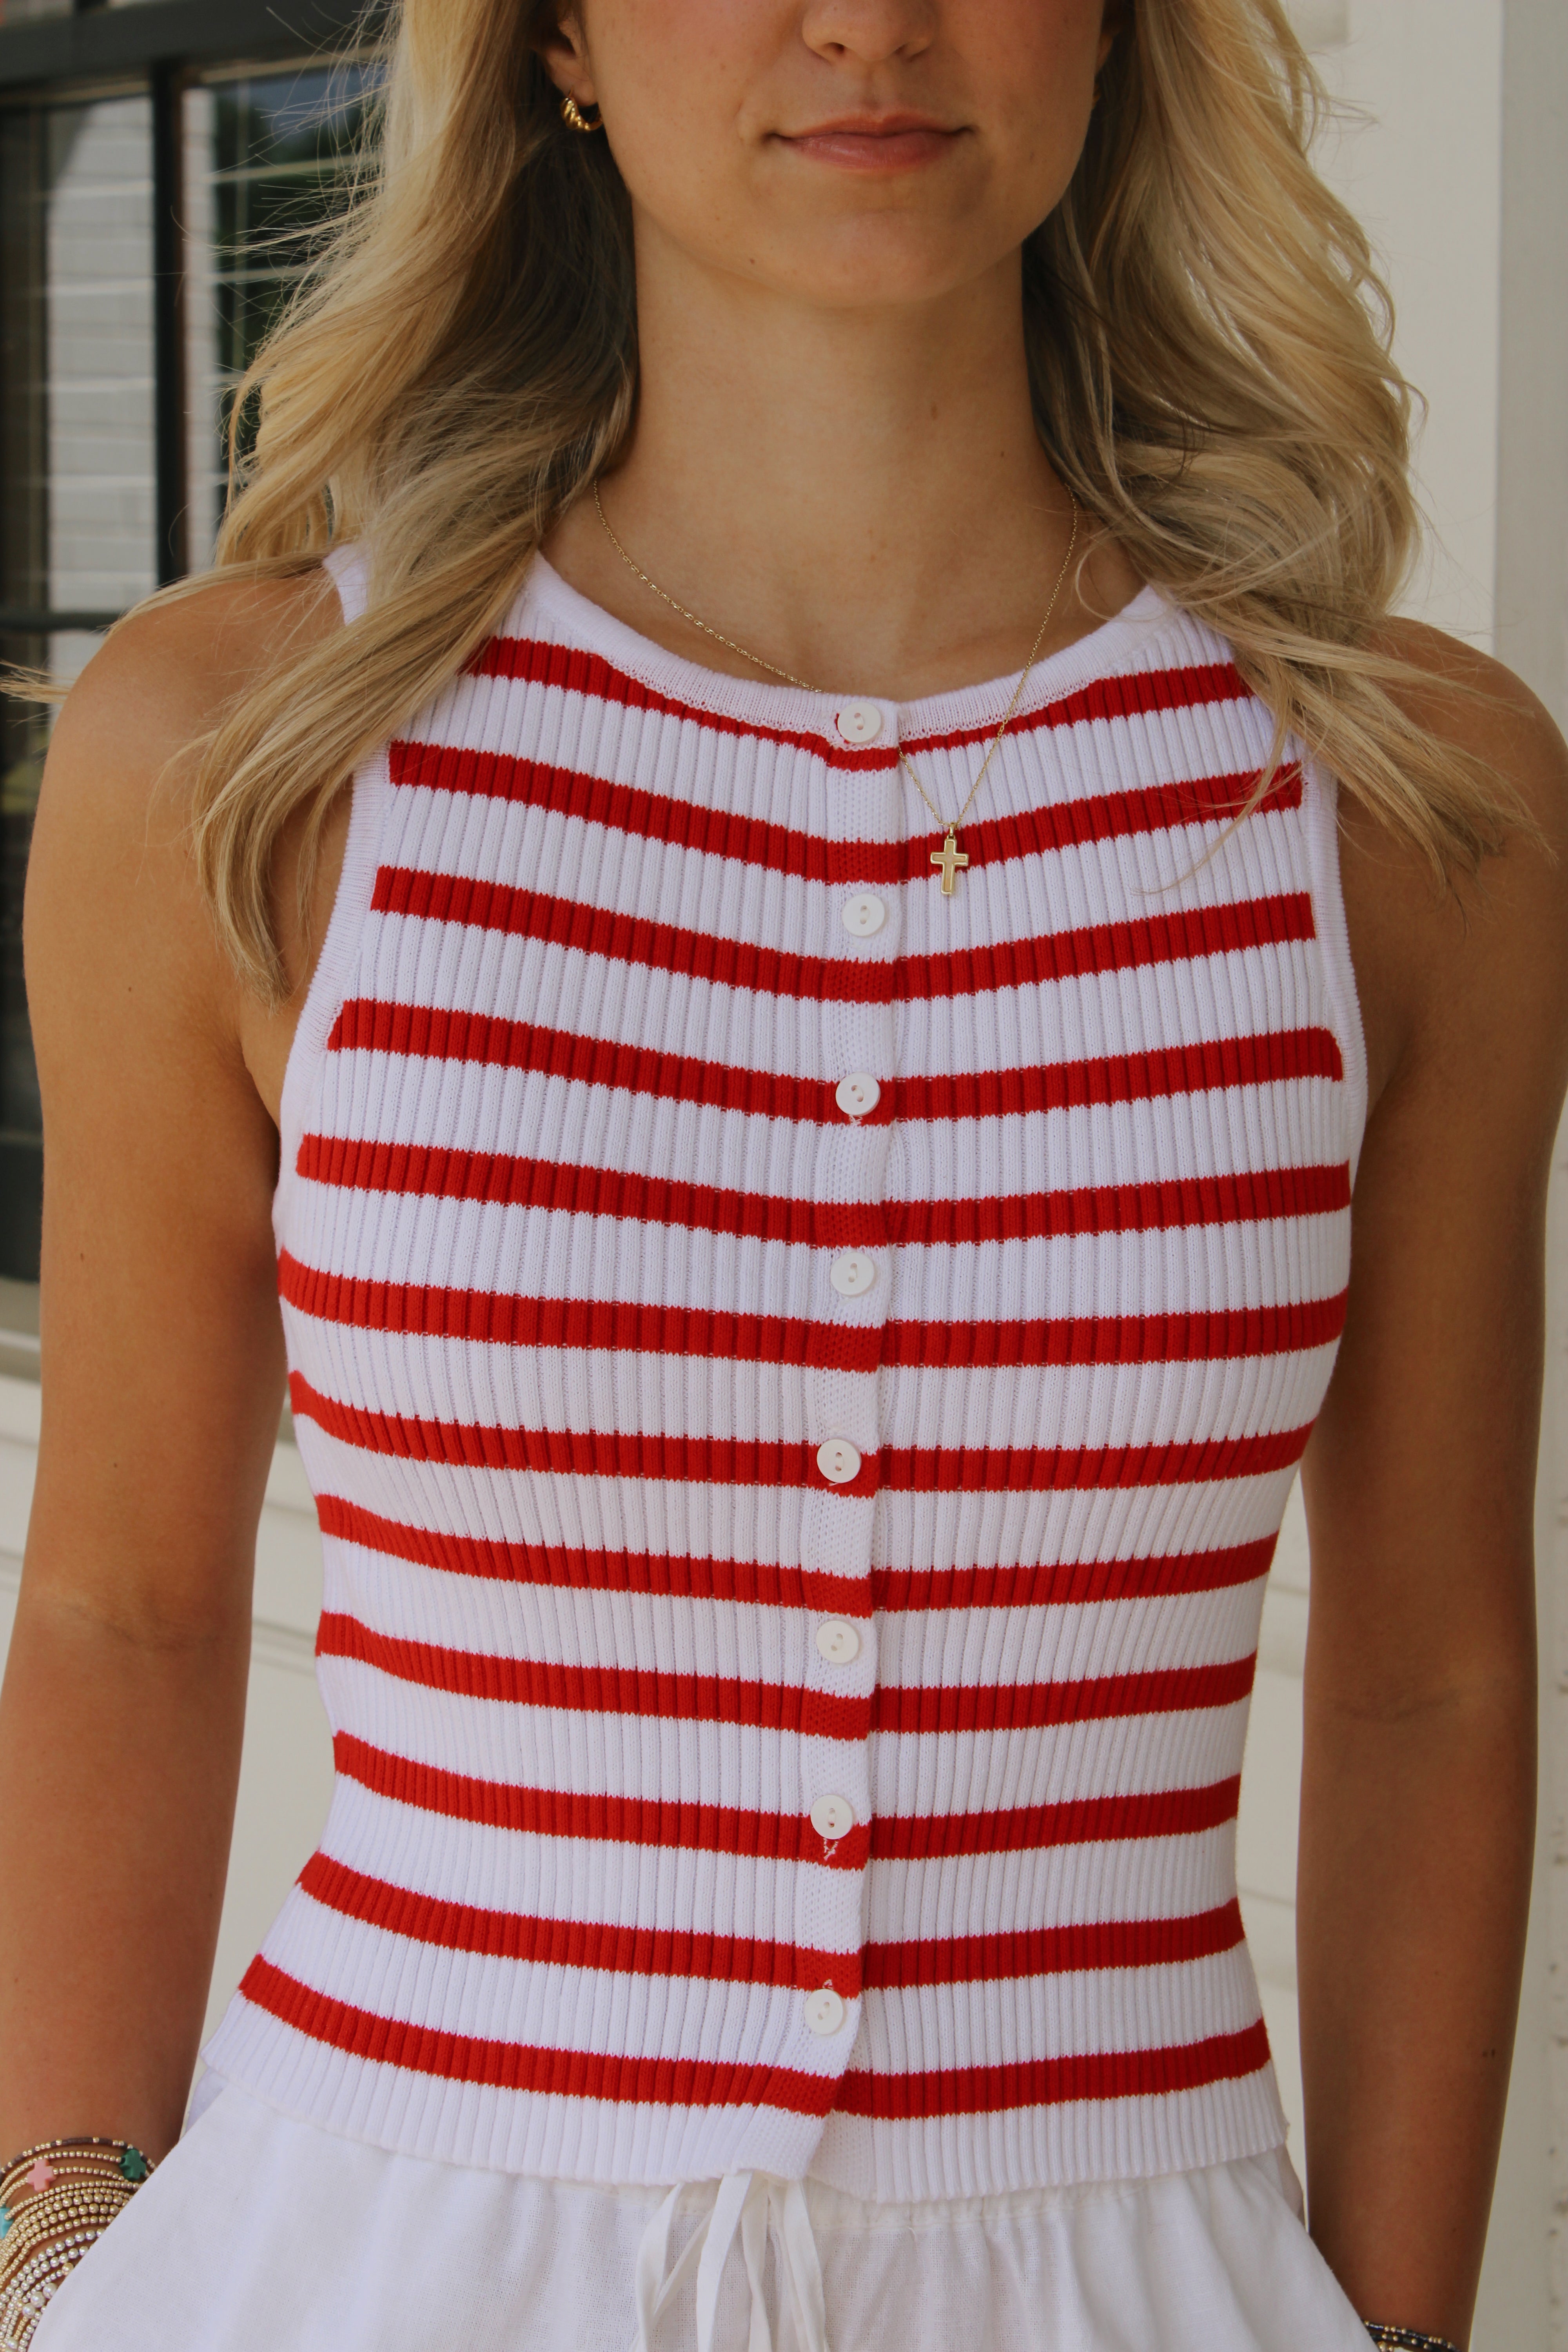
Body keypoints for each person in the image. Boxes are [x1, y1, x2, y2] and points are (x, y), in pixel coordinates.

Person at [0, 1, 1563, 2346]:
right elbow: (123, 1604)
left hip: (1128, 2274)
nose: (871, 24)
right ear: (557, 37)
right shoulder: (244, 759)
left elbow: (1431, 1674)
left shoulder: (1409, 803)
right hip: (369, 2259)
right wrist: (55, 2270)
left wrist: (1404, 2331)